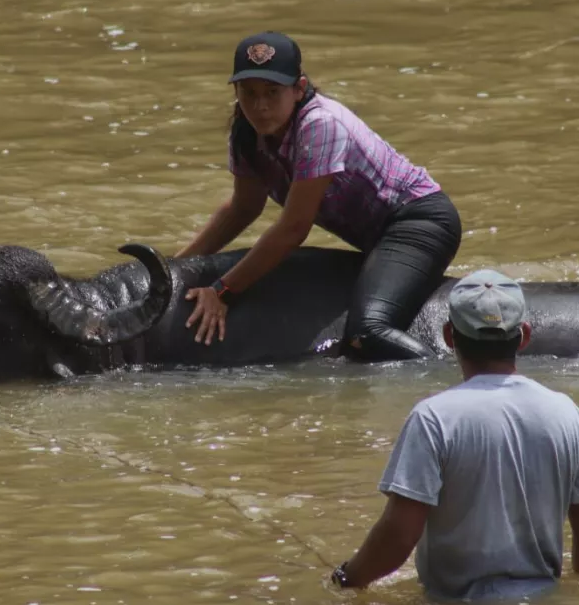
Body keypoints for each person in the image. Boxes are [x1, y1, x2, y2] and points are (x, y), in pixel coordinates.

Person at [175, 31, 462, 362]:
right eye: (248, 93)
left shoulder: (320, 124)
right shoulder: (246, 133)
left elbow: (294, 228)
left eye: (272, 92)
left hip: (418, 222)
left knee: (368, 332)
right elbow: (243, 208)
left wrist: (222, 291)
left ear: (298, 89)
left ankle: (446, 379)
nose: (260, 106)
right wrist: (175, 266)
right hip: (377, 239)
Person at [329, 269, 579, 601]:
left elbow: (399, 535)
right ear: (524, 336)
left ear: (449, 336)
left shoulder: (434, 418)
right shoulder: (566, 413)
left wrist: (347, 578)